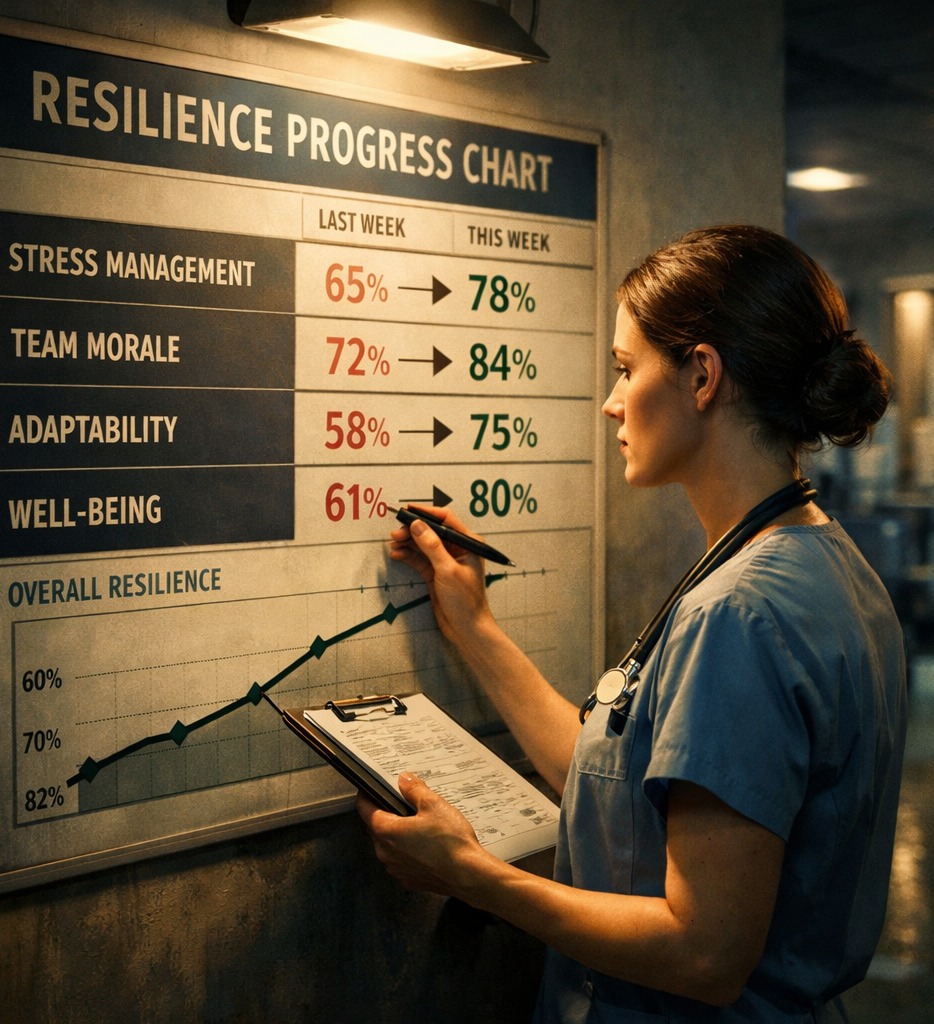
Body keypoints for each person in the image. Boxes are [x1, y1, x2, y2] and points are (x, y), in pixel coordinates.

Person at [357, 225, 908, 1023]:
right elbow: (610, 773)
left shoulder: (740, 616)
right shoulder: (821, 563)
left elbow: (704, 952)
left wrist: (473, 875)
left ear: (702, 376)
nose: (612, 402)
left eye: (625, 369)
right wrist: (473, 623)